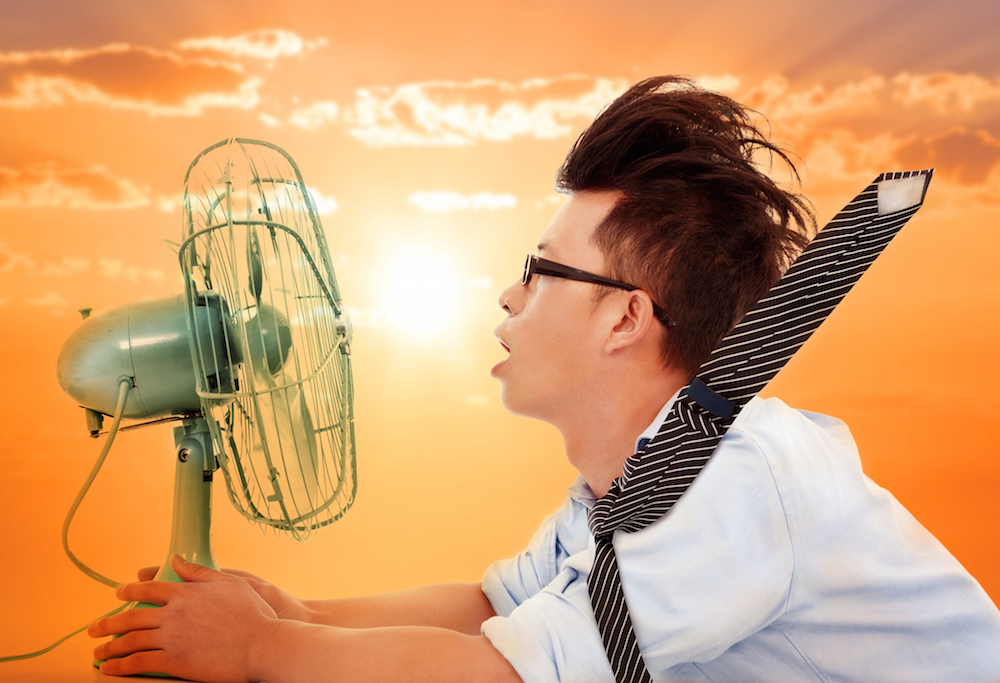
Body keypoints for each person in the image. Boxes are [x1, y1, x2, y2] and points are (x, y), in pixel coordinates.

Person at [87, 76, 1000, 683]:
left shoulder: (729, 478)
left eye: (542, 269)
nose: (509, 293)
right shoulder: (628, 482)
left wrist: (259, 646)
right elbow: (493, 609)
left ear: (625, 317)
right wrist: (299, 609)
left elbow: (512, 672)